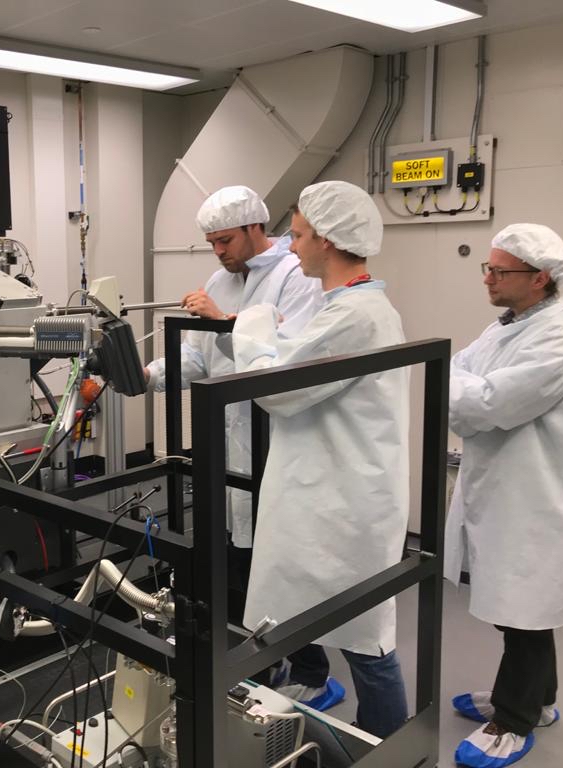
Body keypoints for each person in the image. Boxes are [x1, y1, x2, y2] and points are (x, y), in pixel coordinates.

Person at [230, 180, 410, 739]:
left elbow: (275, 386)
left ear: (328, 242)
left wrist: (254, 324)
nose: (292, 244)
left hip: (345, 503)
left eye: (301, 234)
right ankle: (321, 693)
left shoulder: (357, 314)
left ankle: (389, 745)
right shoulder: (342, 308)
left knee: (365, 638)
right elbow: (298, 363)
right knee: (319, 613)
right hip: (323, 494)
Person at [445, 224, 563, 768]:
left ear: (540, 279)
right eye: (487, 267)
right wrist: (465, 387)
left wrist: (465, 389)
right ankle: (539, 701)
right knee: (519, 612)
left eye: (499, 271)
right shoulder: (506, 327)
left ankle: (513, 719)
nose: (488, 278)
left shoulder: (561, 337)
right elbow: (460, 371)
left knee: (527, 611)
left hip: (537, 499)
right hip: (505, 488)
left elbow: (485, 404)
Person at [144, 185, 322, 615]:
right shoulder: (219, 281)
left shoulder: (295, 277)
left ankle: (305, 670)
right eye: (212, 244)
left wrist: (223, 322)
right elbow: (197, 358)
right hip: (224, 444)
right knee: (233, 558)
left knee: (279, 562)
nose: (219, 252)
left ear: (255, 226)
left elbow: (287, 357)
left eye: (226, 241)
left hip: (276, 435)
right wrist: (148, 375)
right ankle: (250, 661)